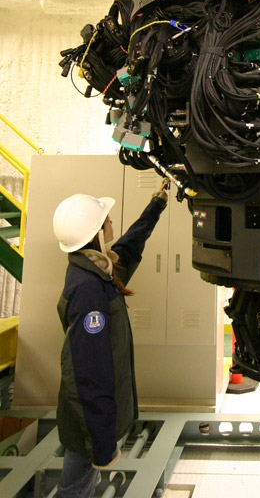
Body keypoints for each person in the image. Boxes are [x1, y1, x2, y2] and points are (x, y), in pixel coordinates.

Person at [52, 180, 169, 498]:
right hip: (89, 425)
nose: (111, 222)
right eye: (106, 220)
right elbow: (87, 374)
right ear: (95, 233)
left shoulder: (97, 271)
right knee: (74, 489)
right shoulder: (89, 289)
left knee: (82, 484)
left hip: (92, 422)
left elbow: (130, 245)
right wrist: (102, 443)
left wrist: (157, 204)